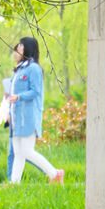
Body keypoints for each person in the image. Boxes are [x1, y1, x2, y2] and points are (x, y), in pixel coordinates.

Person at [8, 37, 64, 185]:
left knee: (26, 151)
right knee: (18, 153)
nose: (16, 49)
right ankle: (14, 184)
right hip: (16, 118)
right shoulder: (20, 69)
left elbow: (35, 92)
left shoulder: (34, 69)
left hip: (28, 117)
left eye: (19, 46)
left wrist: (18, 97)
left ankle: (54, 173)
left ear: (27, 48)